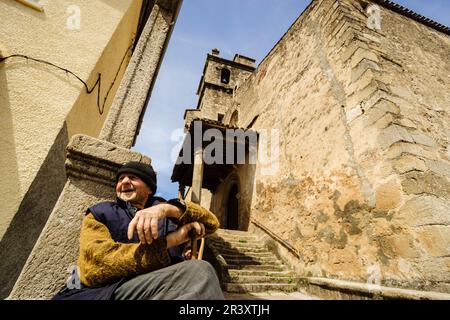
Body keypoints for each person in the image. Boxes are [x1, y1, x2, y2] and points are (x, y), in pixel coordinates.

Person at [52, 161, 224, 300]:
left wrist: (168, 210)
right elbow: (97, 266)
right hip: (100, 293)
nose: (124, 182)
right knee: (199, 271)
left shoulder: (165, 214)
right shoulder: (100, 213)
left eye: (133, 177)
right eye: (121, 179)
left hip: (160, 289)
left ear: (149, 189)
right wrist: (172, 241)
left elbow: (211, 224)